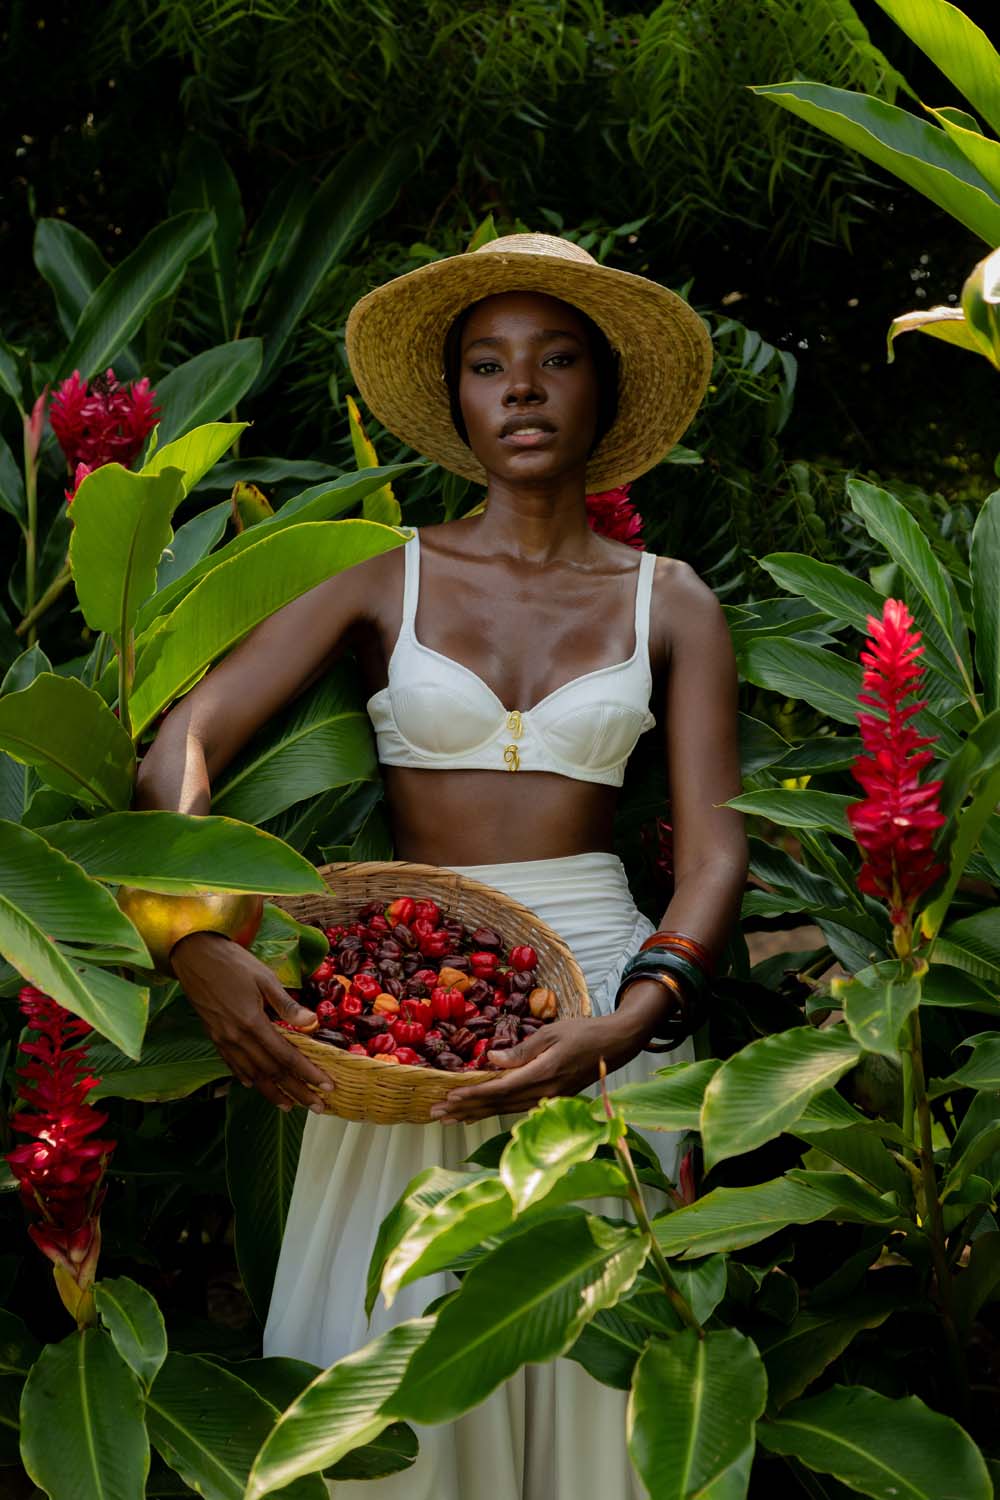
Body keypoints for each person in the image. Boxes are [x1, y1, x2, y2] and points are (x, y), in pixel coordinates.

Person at [134, 233, 748, 1498]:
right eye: (488, 364)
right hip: (403, 1018)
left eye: (555, 359)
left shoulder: (673, 600)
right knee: (390, 1363)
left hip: (600, 999)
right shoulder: (380, 575)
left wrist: (630, 1024)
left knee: (596, 1380)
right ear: (460, 401)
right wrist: (194, 940)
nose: (521, 387)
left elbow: (716, 848)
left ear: (603, 393)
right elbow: (181, 742)